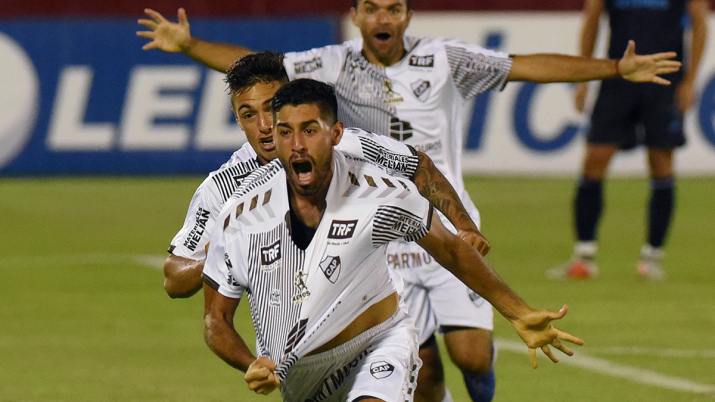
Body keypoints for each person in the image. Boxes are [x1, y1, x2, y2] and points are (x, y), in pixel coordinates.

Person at [137, 3, 678, 400]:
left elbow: (516, 73)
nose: (383, 18)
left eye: (392, 7)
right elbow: (259, 69)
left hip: (420, 233)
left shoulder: (439, 66)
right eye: (372, 7)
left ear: (407, 15)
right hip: (359, 269)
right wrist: (190, 45)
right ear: (356, 15)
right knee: (420, 367)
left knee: (470, 356)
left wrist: (614, 70)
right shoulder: (321, 74)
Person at [202, 78, 584, 401]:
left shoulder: (381, 194)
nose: (297, 145)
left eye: (310, 130)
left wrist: (518, 311)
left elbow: (451, 250)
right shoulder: (241, 218)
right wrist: (249, 361)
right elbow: (216, 320)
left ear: (335, 134)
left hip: (378, 342)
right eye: (286, 132)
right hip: (301, 377)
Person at [165, 52, 488, 301]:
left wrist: (465, 227)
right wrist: (225, 247)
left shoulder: (345, 144)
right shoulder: (224, 187)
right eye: (249, 114)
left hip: (376, 299)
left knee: (447, 362)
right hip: (298, 330)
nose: (264, 125)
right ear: (237, 119)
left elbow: (418, 166)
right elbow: (175, 278)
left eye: (270, 108)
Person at [549, 0, 708, 280]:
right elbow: (592, 19)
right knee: (594, 162)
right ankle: (584, 255)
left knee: (662, 164)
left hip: (664, 79)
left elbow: (700, 22)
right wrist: (583, 78)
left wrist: (690, 81)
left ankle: (653, 256)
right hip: (618, 78)